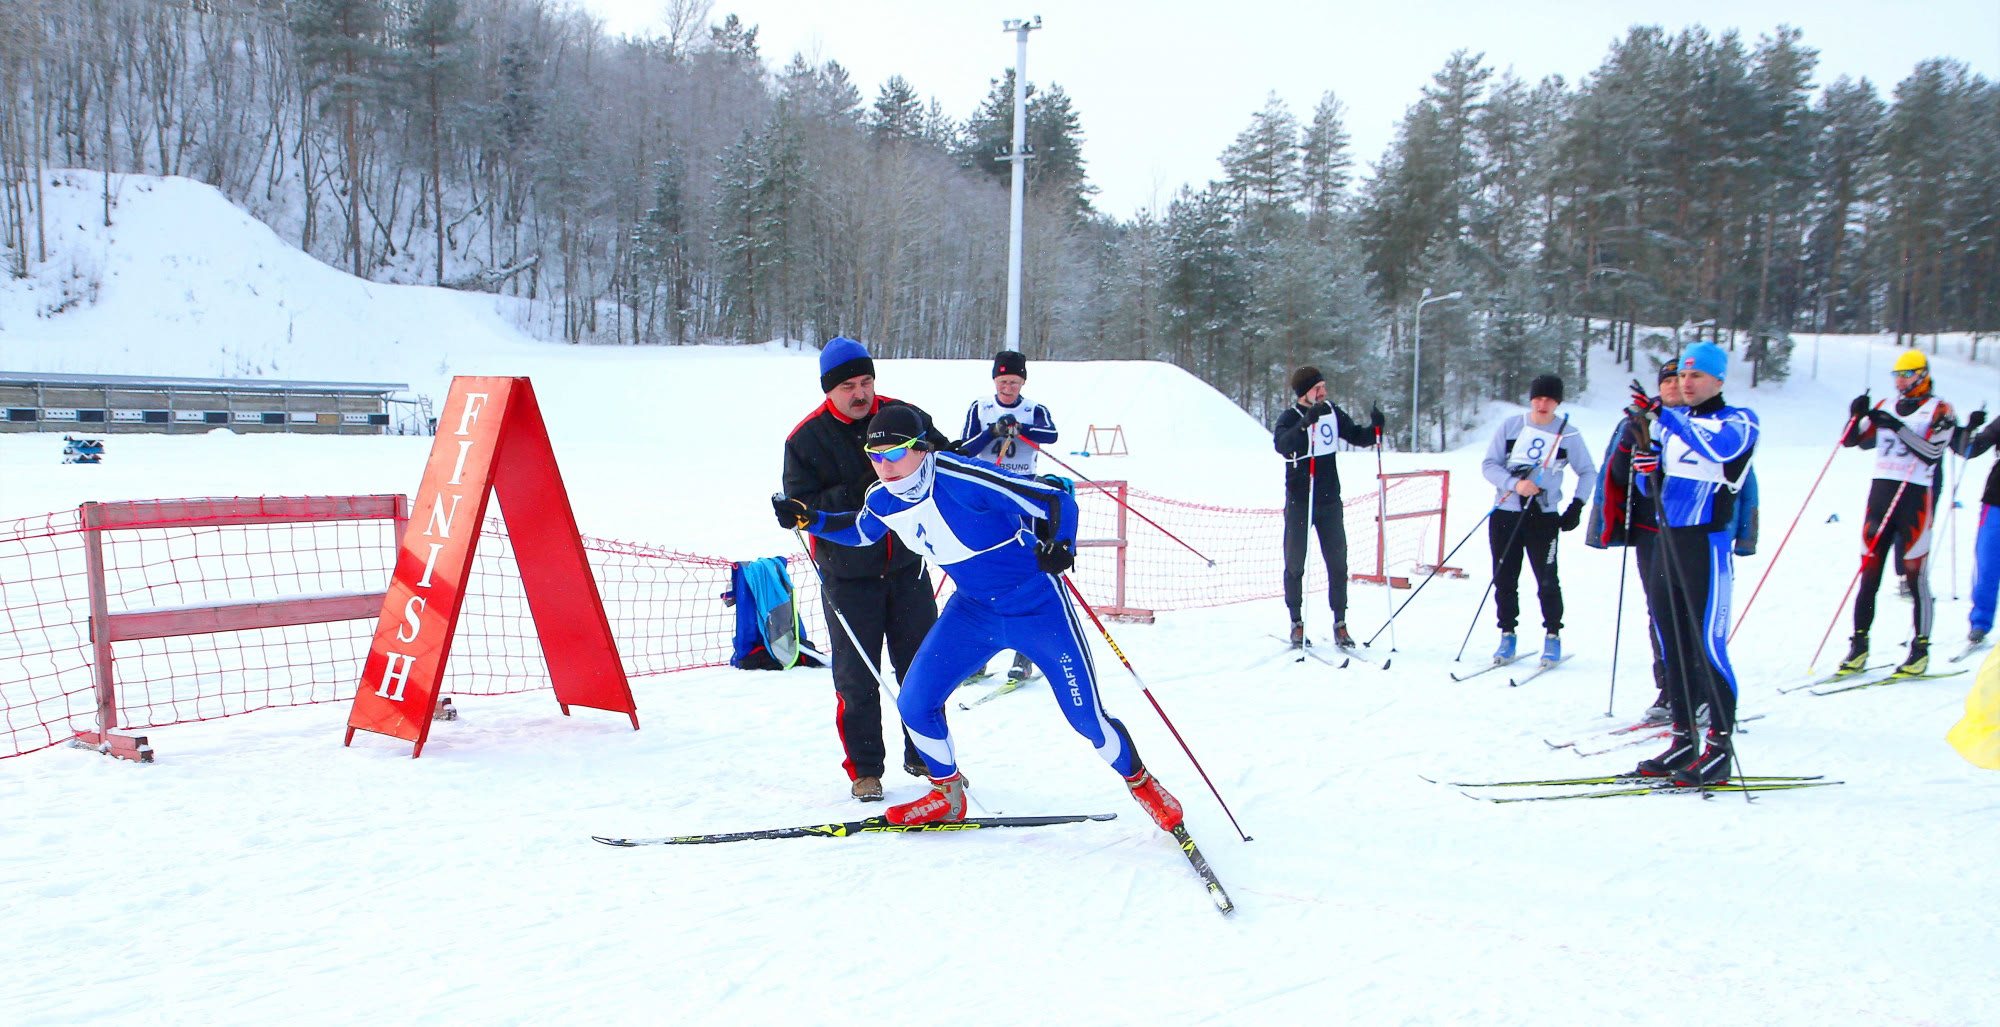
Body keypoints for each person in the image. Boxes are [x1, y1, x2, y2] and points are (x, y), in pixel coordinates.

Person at [771, 406, 1186, 832]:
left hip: (1036, 607)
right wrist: (809, 519)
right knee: (915, 704)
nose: (884, 466)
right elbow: (862, 531)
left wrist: (1062, 544)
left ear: (922, 449)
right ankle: (947, 796)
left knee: (1087, 718)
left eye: (894, 453)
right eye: (874, 456)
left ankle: (1143, 784)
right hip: (973, 611)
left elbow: (1054, 498)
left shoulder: (963, 478)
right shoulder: (882, 497)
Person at [782, 337, 944, 802]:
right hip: (847, 576)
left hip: (909, 567)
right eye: (849, 386)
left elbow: (946, 458)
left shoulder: (902, 416)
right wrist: (868, 488)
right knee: (857, 677)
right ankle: (866, 769)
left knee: (923, 669)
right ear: (828, 391)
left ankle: (930, 756)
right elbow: (804, 507)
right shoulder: (805, 439)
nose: (861, 394)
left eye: (867, 381)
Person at [1628, 341, 1759, 785]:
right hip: (1668, 543)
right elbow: (1656, 492)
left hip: (1708, 544)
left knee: (1709, 646)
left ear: (1718, 380)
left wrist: (1664, 417)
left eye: (1696, 376)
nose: (1686, 383)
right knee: (1674, 645)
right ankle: (1682, 738)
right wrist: (1649, 469)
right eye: (1682, 376)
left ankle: (1719, 747)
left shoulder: (1738, 421)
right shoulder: (1675, 424)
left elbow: (1721, 452)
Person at [1837, 348, 1957, 676]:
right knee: (1869, 575)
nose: (1901, 381)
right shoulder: (1885, 405)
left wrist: (1897, 426)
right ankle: (1858, 646)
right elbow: (1852, 442)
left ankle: (1920, 650)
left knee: (1915, 576)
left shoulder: (1941, 408)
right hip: (1881, 493)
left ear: (1922, 375)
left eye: (1906, 374)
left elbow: (1933, 452)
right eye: (1897, 375)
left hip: (1916, 497)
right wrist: (1856, 415)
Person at [958, 349, 1059, 685]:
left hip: (1022, 493)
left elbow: (1051, 436)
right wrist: (994, 431)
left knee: (1026, 570)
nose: (1008, 388)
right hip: (987, 496)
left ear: (1023, 382)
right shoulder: (981, 407)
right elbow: (963, 449)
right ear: (994, 381)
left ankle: (1025, 656)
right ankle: (979, 655)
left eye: (1014, 382)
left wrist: (1020, 428)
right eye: (1003, 382)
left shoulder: (1034, 409)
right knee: (983, 572)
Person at [1479, 374, 1595, 666]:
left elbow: (1588, 471)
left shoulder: (1568, 433)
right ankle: (1507, 635)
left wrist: (1576, 506)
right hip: (1506, 513)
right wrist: (1513, 484)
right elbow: (1489, 465)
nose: (1543, 404)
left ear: (1557, 402)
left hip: (1543, 516)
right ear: (1531, 400)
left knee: (1546, 579)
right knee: (1505, 577)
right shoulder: (1511, 427)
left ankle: (1552, 636)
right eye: (1538, 398)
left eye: (1549, 399)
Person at [1271, 366, 1383, 648]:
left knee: (1337, 562)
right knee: (1295, 563)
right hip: (1300, 500)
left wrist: (1376, 429)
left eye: (1323, 387)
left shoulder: (1331, 411)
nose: (1322, 392)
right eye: (1316, 388)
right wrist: (1305, 424)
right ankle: (1296, 622)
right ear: (1303, 393)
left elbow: (1357, 435)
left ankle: (1340, 623)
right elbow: (1283, 446)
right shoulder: (1290, 418)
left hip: (1329, 500)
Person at [1954, 407, 1999, 645]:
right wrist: (1970, 428)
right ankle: (1980, 623)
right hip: (1996, 500)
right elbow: (1969, 449)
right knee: (1988, 563)